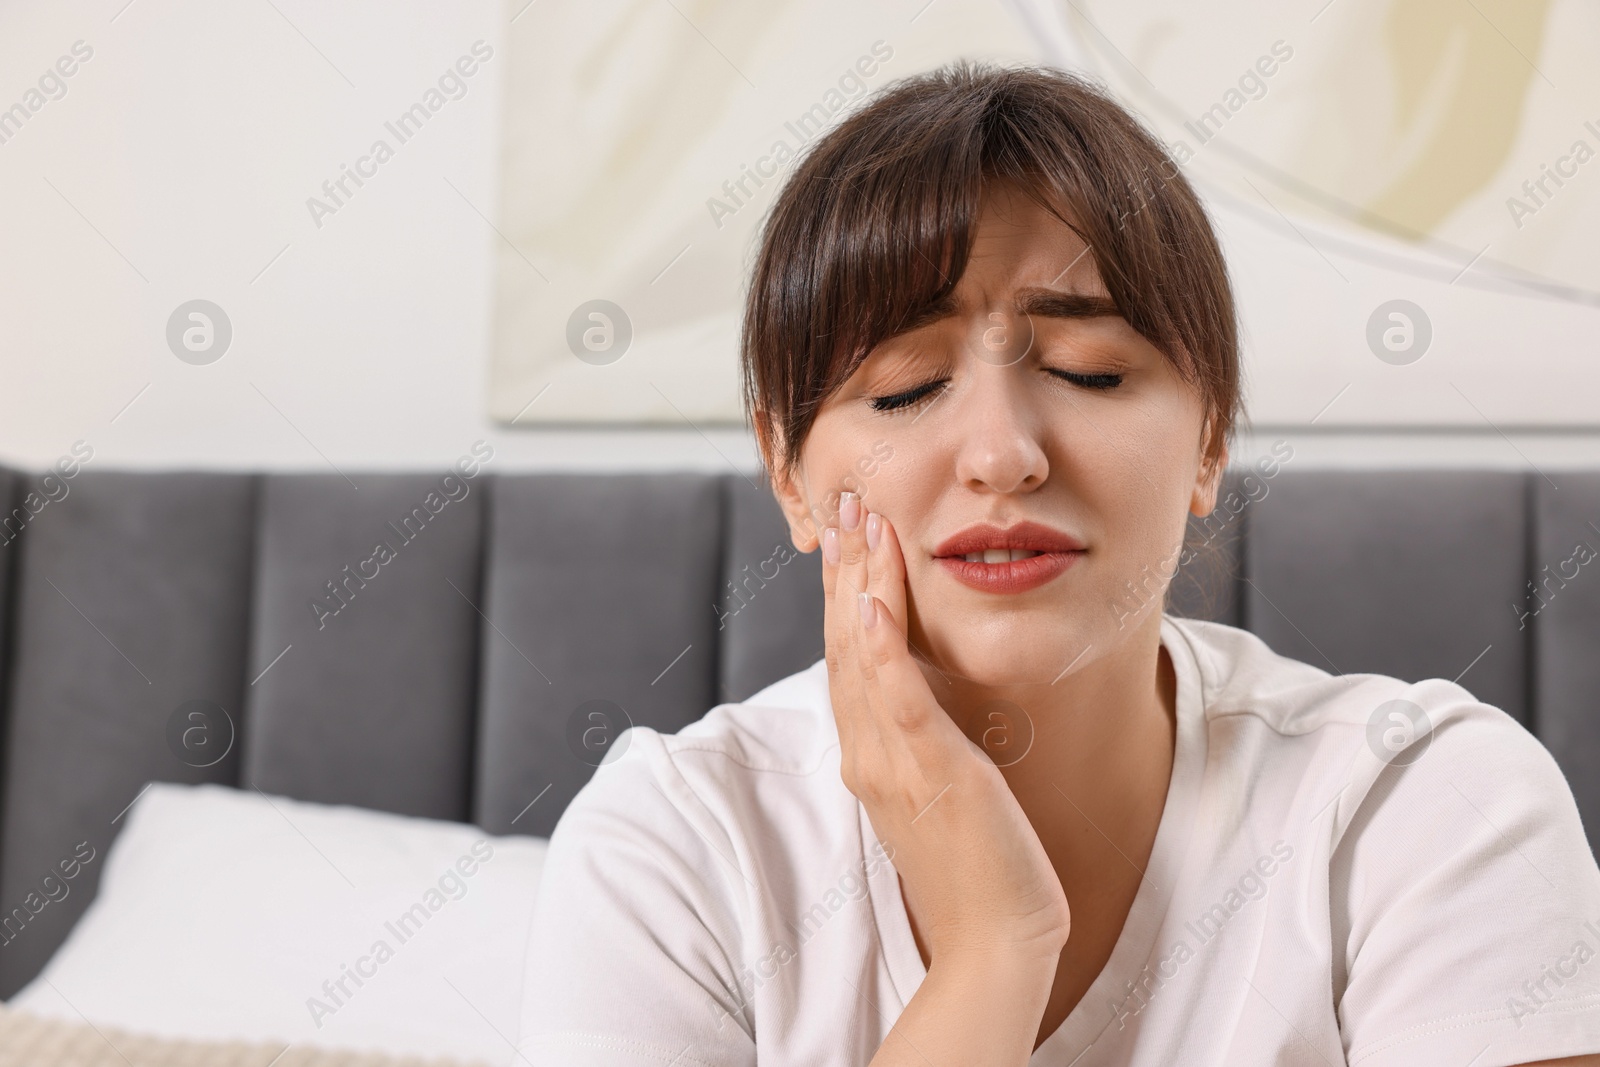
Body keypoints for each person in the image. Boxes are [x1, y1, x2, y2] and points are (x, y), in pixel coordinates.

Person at [518, 62, 1600, 1066]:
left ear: (1210, 438)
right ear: (789, 472)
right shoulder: (676, 847)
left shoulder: (1424, 803)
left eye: (1088, 371)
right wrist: (995, 945)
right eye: (900, 387)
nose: (1002, 455)